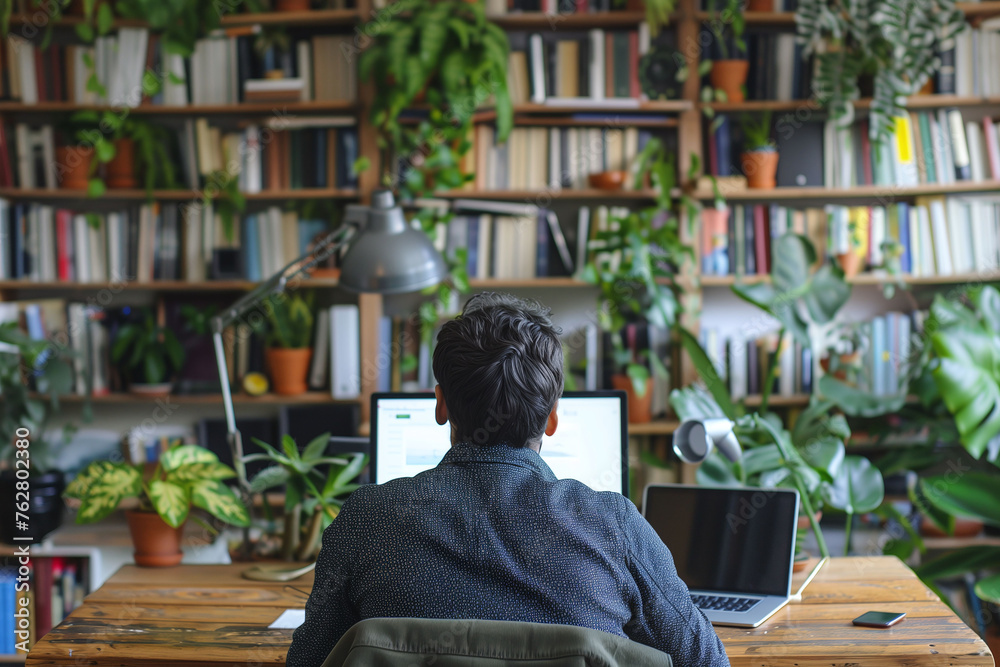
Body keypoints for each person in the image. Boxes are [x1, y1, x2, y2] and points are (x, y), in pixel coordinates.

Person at [286, 293, 730, 667]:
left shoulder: (368, 519)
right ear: (553, 417)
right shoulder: (612, 524)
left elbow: (307, 661)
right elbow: (707, 661)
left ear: (440, 405)